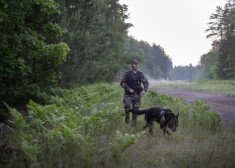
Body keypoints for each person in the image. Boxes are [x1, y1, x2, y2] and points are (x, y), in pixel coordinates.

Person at [120, 59, 149, 126]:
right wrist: (129, 89)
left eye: (137, 64)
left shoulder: (140, 74)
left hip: (137, 94)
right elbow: (122, 82)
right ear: (131, 65)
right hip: (128, 94)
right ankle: (127, 118)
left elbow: (146, 83)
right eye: (135, 64)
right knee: (127, 105)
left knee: (136, 109)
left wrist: (144, 90)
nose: (136, 65)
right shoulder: (127, 74)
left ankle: (134, 124)